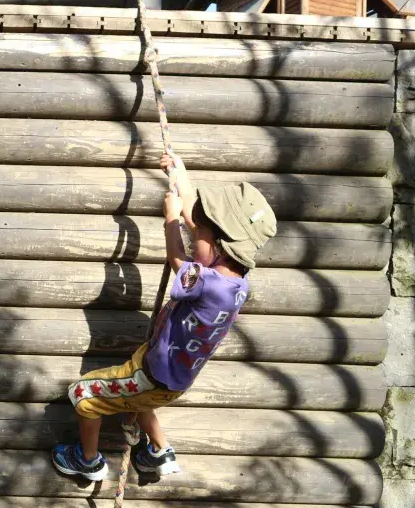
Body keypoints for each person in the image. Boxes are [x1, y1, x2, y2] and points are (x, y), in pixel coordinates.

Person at [52, 153, 277, 481]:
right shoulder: (234, 278)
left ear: (219, 245)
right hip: (170, 375)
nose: (191, 229)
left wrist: (170, 219)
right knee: (141, 401)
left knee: (84, 395)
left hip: (152, 372)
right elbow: (200, 226)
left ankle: (87, 462)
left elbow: (177, 258)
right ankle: (159, 451)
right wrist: (179, 173)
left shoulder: (207, 281)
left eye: (197, 232)